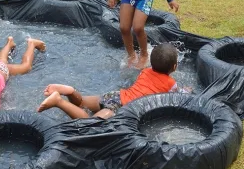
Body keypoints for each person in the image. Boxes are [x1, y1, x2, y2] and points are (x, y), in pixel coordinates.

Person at [37, 43, 186, 119]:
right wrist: (187, 91)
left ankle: (70, 91)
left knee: (82, 102)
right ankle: (59, 101)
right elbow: (177, 97)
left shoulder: (145, 71)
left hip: (117, 95)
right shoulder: (171, 83)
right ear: (174, 66)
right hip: (124, 108)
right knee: (90, 126)